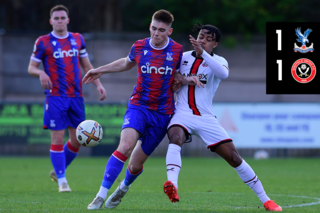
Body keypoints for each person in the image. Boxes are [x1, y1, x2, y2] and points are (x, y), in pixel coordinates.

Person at [82, 10, 202, 210]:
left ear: (169, 31)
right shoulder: (139, 46)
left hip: (162, 114)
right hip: (138, 106)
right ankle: (100, 195)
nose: (156, 33)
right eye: (154, 28)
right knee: (125, 147)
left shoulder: (178, 51)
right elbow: (125, 63)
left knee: (135, 164)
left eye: (161, 30)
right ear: (150, 27)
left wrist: (186, 80)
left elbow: (178, 76)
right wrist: (99, 69)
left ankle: (122, 188)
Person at [163, 23, 282, 212]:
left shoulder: (218, 61)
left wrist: (204, 54)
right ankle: (172, 184)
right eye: (201, 36)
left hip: (206, 117)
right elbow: (172, 75)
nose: (202, 40)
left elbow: (223, 74)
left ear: (215, 44)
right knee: (175, 137)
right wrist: (177, 81)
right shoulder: (183, 57)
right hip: (182, 113)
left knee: (234, 158)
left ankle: (266, 200)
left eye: (208, 39)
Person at [28, 5, 106, 193]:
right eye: (56, 18)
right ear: (51, 21)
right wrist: (40, 73)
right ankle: (63, 181)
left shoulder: (78, 39)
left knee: (78, 139)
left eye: (63, 17)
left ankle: (58, 172)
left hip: (76, 97)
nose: (60, 21)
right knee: (57, 136)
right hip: (55, 97)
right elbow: (31, 67)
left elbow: (86, 65)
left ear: (68, 20)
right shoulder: (43, 42)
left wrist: (99, 85)